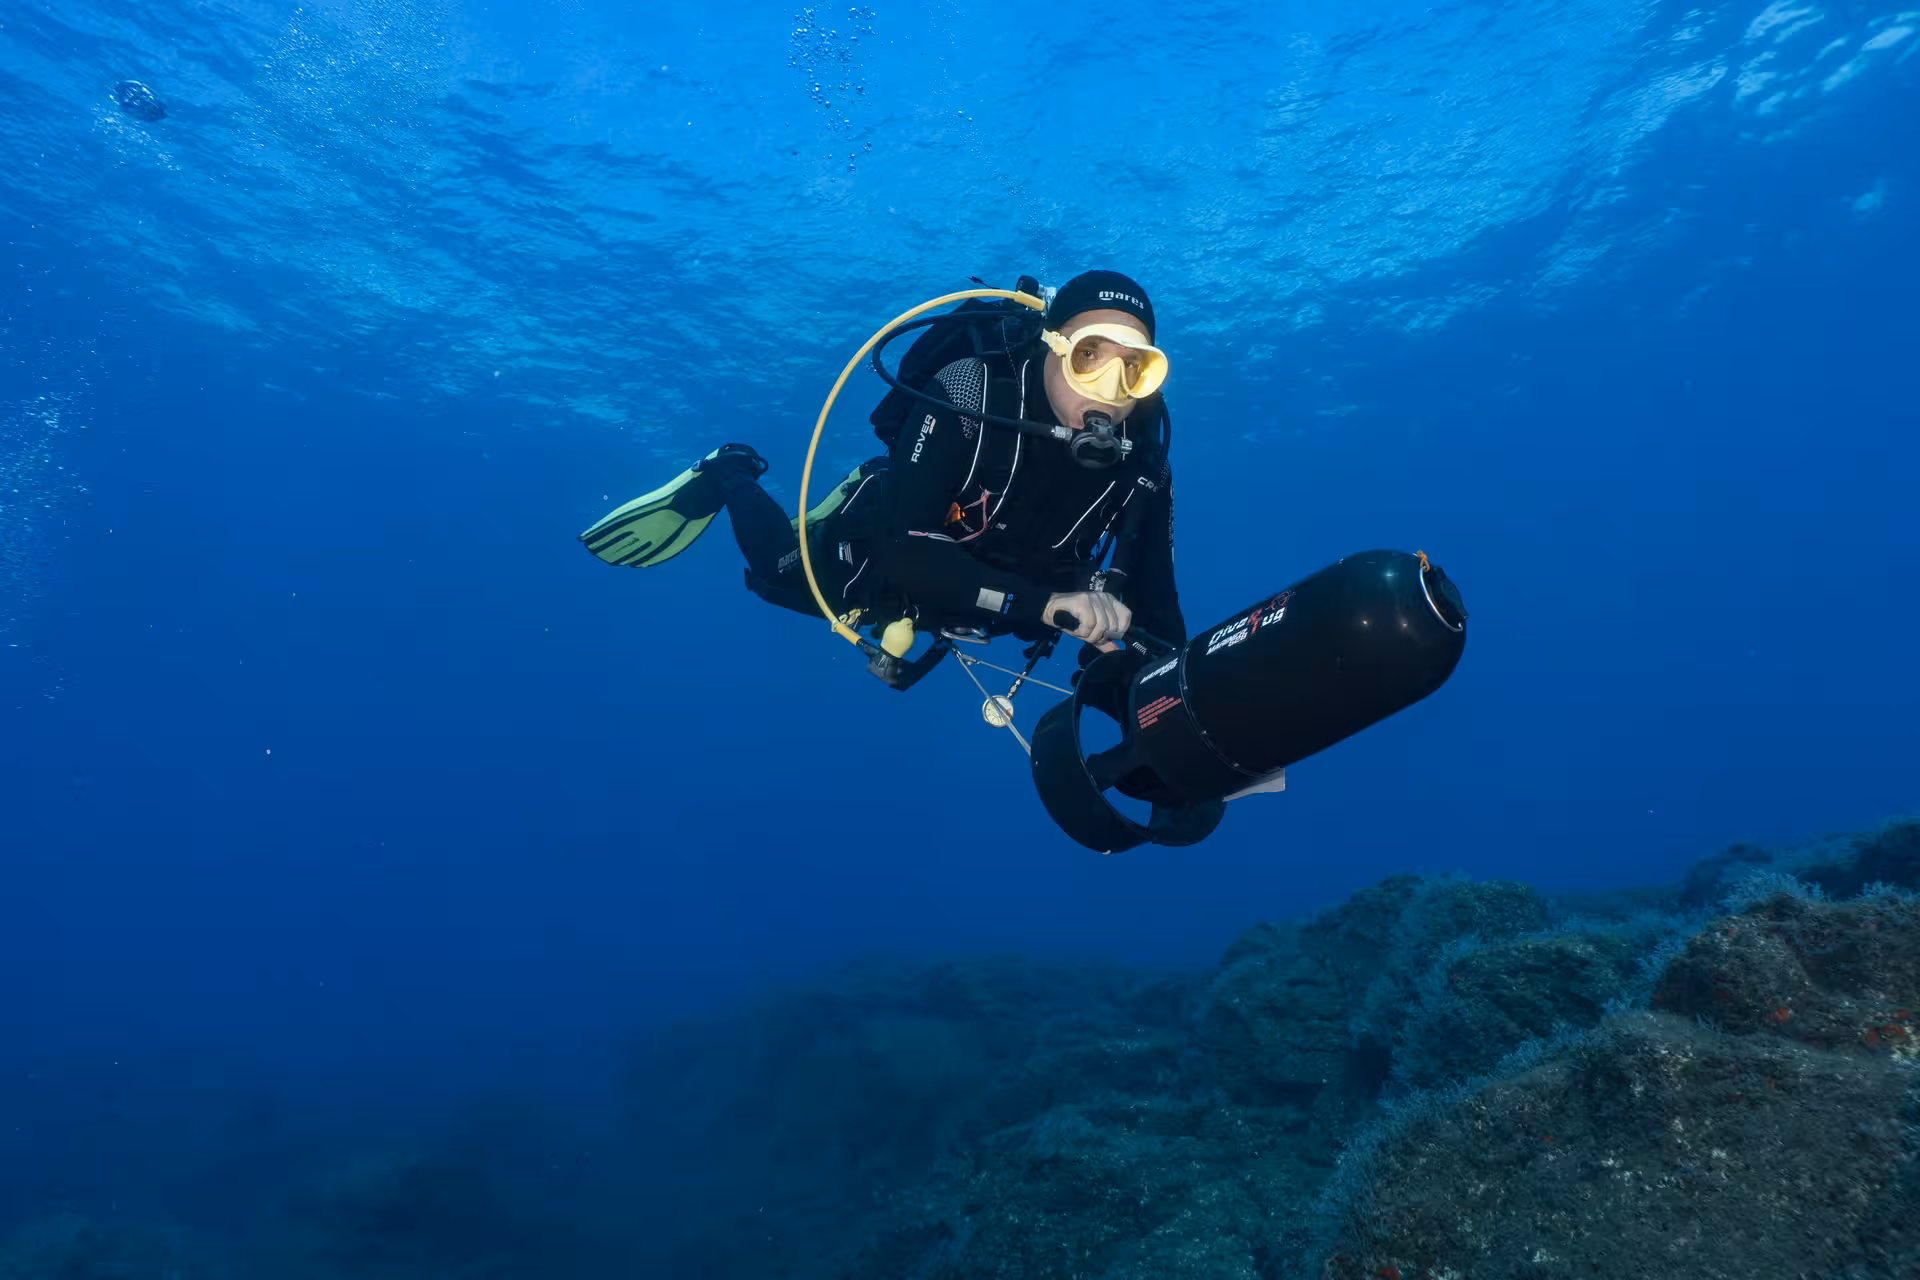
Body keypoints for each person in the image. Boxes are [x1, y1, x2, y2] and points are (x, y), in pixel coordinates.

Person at [580, 269, 1185, 667]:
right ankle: (729, 471)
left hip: (991, 601)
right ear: (1050, 346)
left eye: (1136, 370)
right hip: (879, 554)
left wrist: (1184, 714)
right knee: (774, 572)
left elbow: (1158, 601)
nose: (1111, 391)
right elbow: (904, 551)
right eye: (1089, 358)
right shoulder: (970, 393)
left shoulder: (1143, 456)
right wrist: (1047, 606)